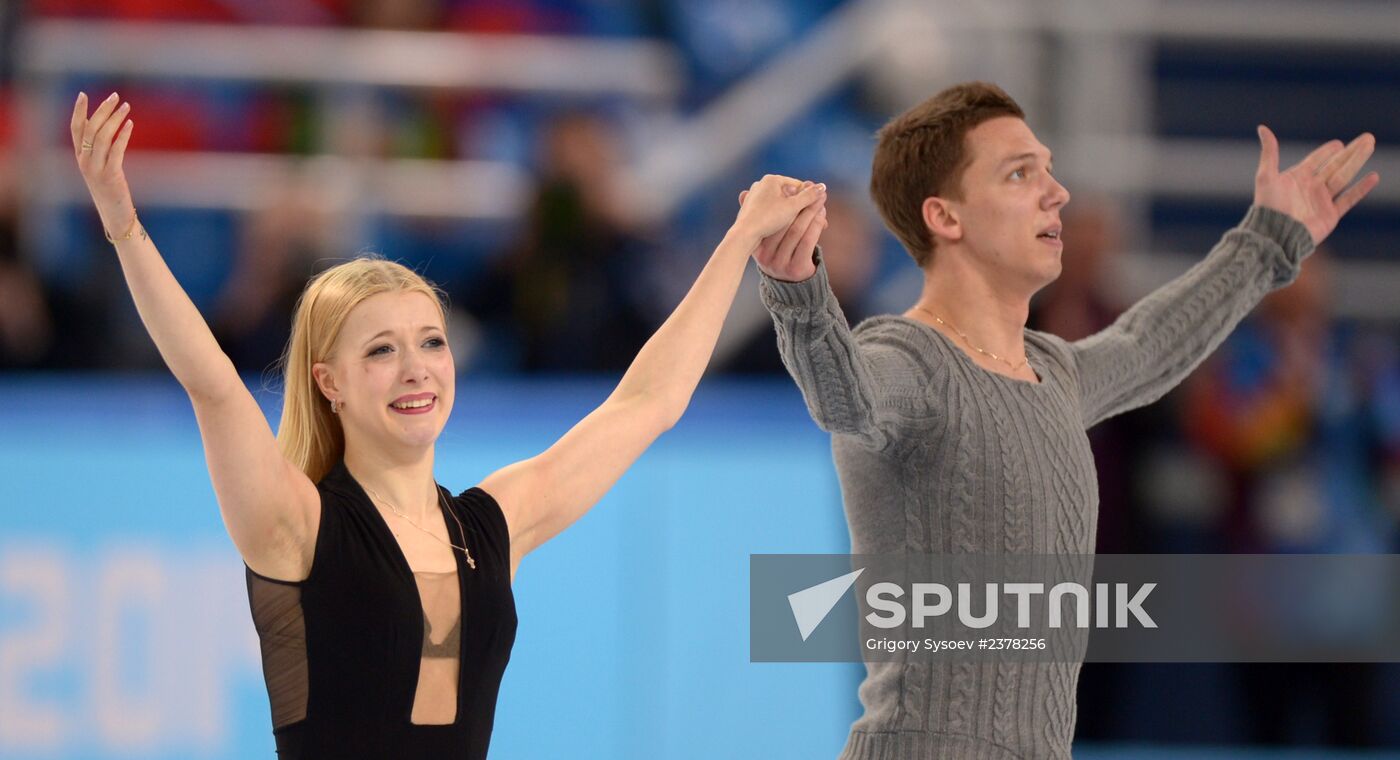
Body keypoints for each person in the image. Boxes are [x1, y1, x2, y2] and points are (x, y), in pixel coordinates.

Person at [69, 90, 828, 759]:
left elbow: (646, 403)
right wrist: (124, 225)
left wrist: (739, 244)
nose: (416, 368)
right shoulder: (296, 526)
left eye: (431, 343)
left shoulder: (492, 526)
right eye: (382, 351)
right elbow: (211, 385)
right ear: (326, 382)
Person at [747, 81, 1377, 759]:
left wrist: (1268, 241)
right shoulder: (905, 359)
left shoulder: (1055, 371)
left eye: (1048, 169)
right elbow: (843, 397)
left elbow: (1148, 343)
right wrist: (799, 293)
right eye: (1021, 173)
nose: (1058, 193)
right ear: (946, 217)